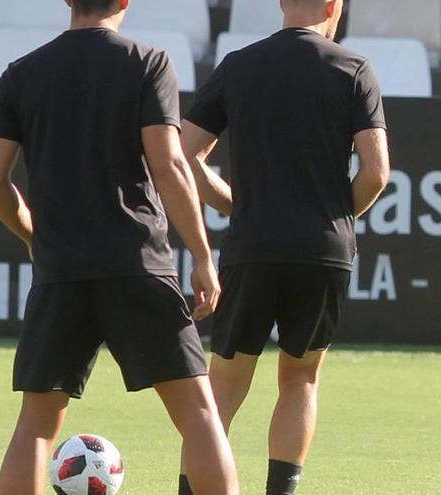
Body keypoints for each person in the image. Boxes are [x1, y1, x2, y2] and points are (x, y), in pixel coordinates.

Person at [0, 1, 239, 493]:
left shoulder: (21, 73)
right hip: (137, 264)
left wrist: (34, 236)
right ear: (124, 1)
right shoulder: (148, 62)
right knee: (199, 413)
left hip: (61, 272)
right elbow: (169, 165)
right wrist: (203, 257)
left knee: (36, 422)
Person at [176, 0, 390, 493]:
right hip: (322, 250)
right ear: (335, 5)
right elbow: (377, 172)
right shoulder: (353, 68)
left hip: (253, 244)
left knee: (223, 385)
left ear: (281, 3)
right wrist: (332, 218)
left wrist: (234, 205)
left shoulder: (240, 64)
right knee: (301, 378)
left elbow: (185, 153)